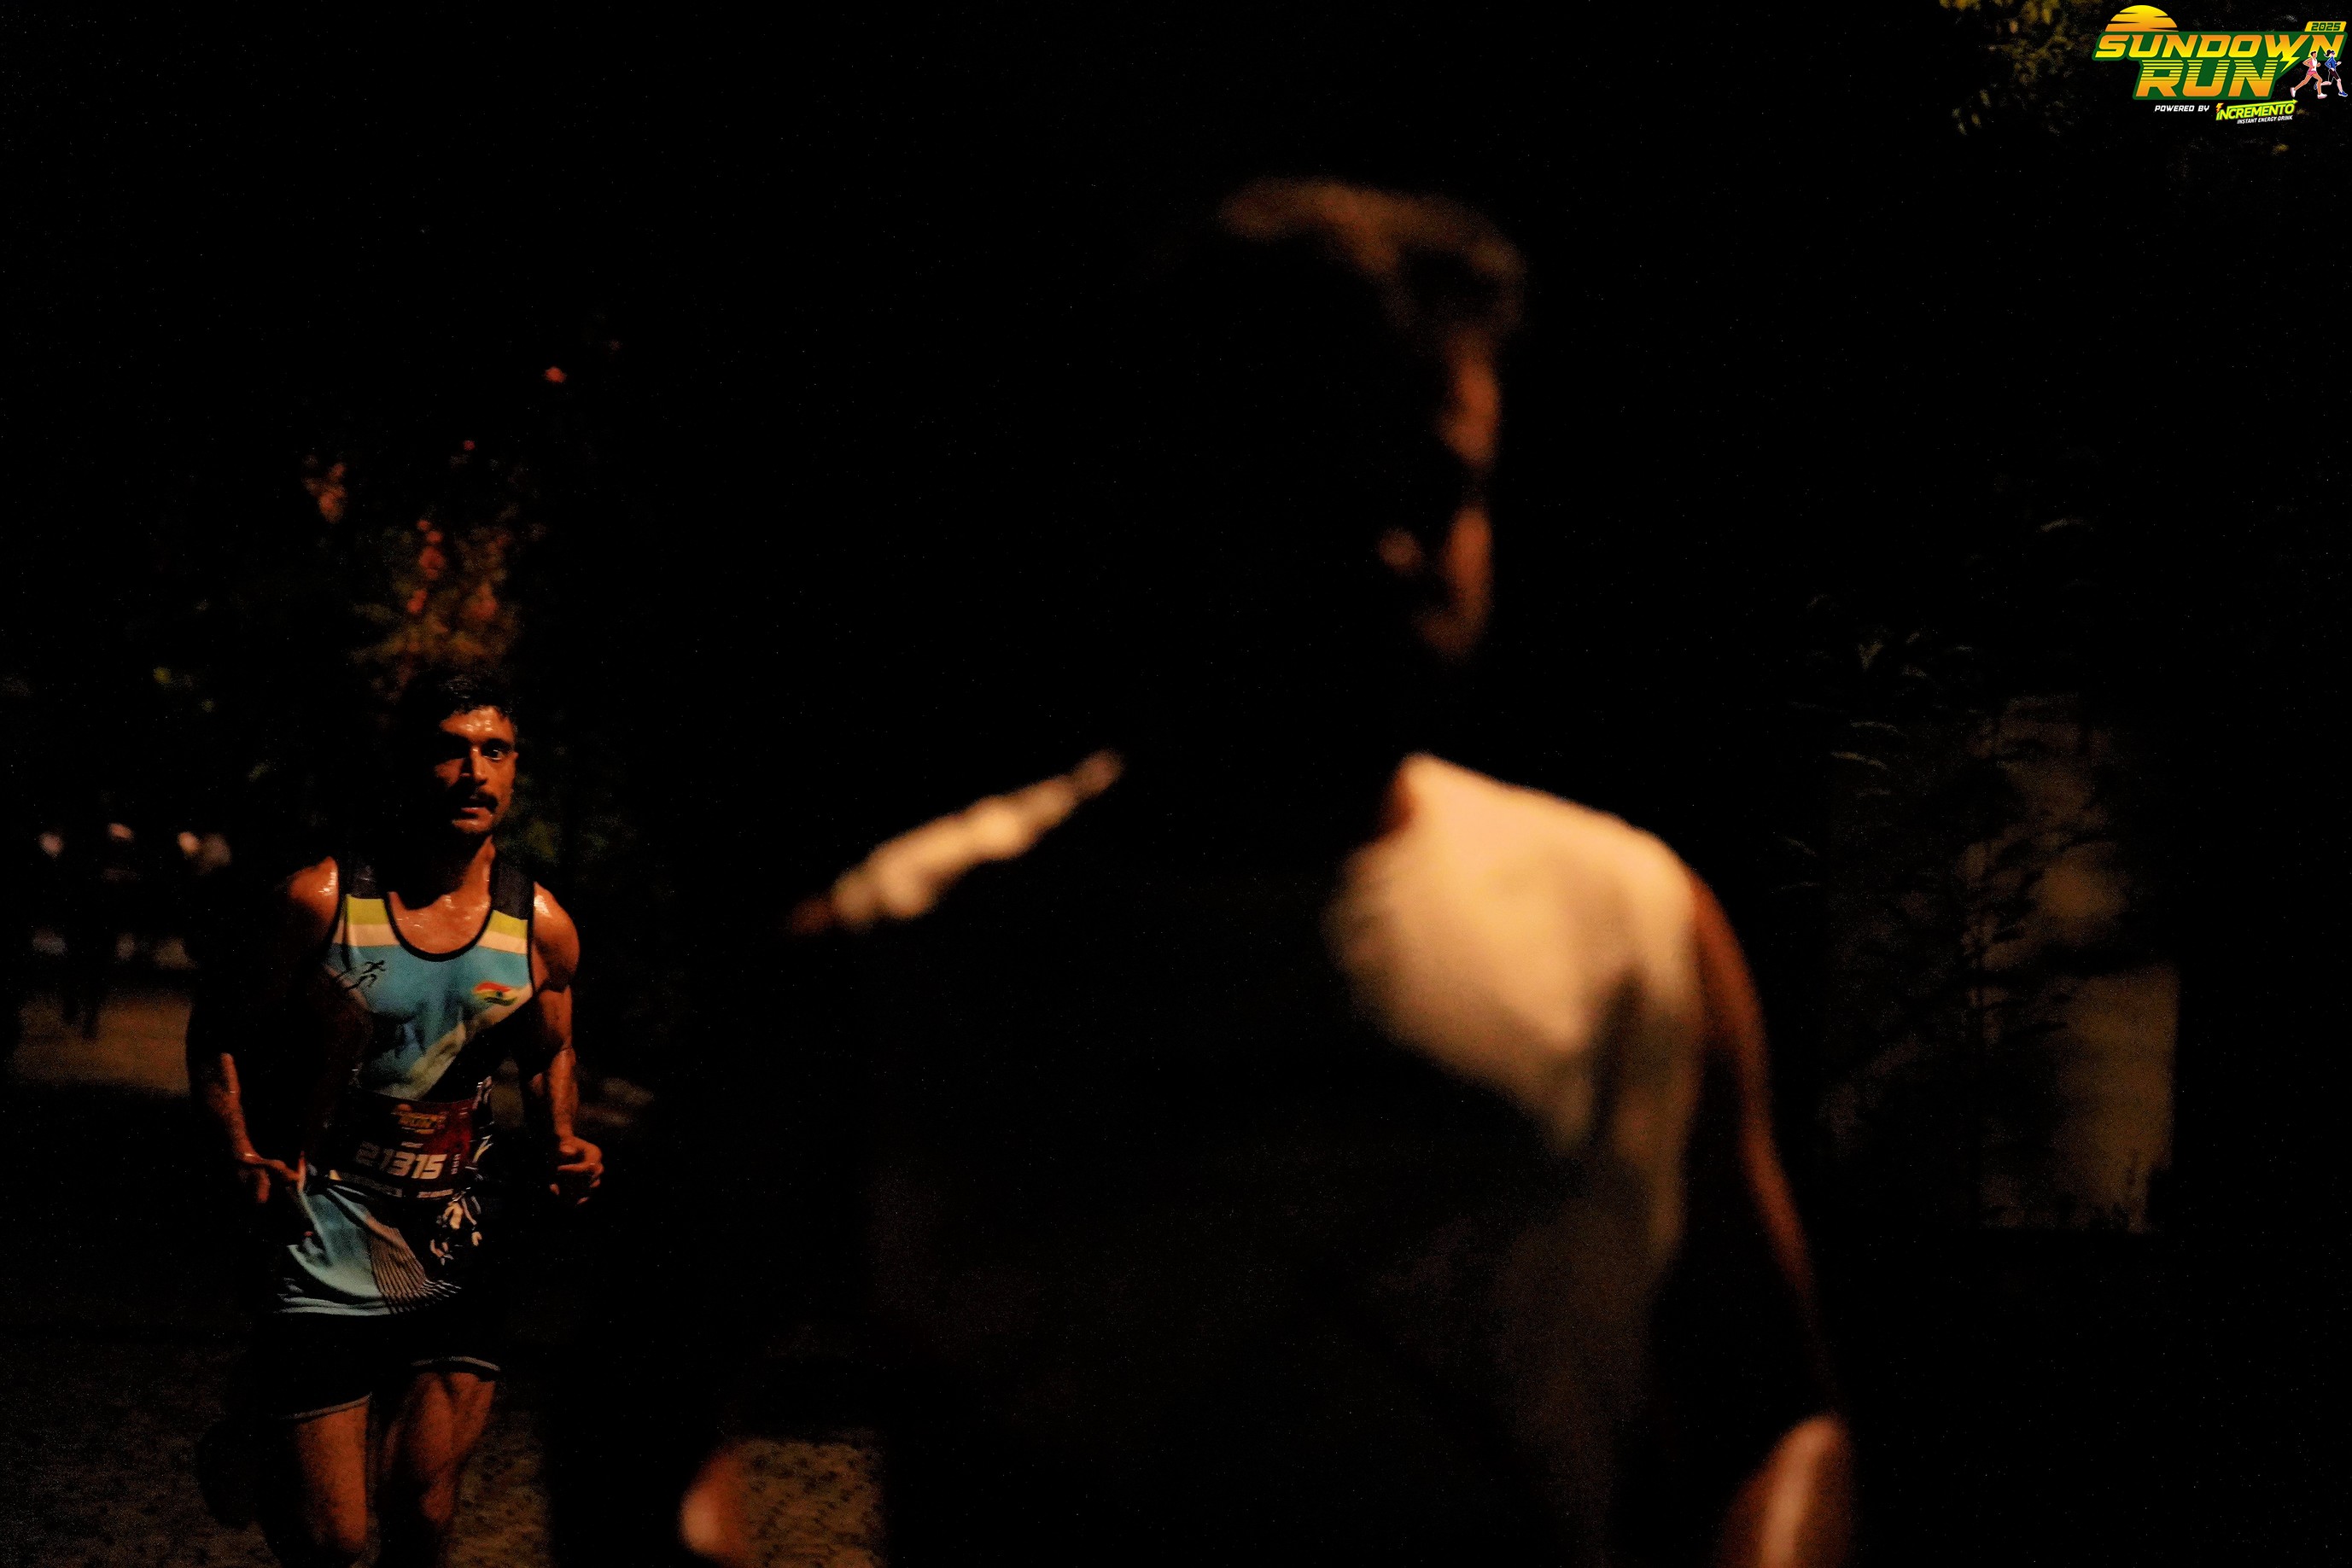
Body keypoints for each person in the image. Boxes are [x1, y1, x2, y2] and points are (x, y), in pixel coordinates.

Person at [781, 181, 1853, 1565]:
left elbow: (1776, 1418)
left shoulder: (1633, 931)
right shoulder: (911, 950)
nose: (1391, 550)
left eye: (1437, 489)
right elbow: (644, 1377)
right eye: (1311, 487)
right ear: (1157, 499)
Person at [189, 670, 604, 1568]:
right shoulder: (321, 901)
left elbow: (549, 1050)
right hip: (322, 1227)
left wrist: (562, 1139)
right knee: (333, 1540)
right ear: (410, 762)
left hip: (458, 1233)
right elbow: (219, 1029)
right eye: (450, 750)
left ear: (515, 767)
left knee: (421, 1507)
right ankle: (262, 1418)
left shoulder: (539, 925)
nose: (474, 771)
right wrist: (239, 1151)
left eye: (494, 750)